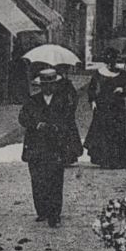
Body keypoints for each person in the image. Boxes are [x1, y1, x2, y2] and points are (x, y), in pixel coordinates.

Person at [18, 69, 66, 226]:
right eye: (45, 85)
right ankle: (41, 211)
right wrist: (36, 124)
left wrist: (56, 128)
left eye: (51, 84)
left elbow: (68, 121)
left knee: (55, 180)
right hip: (36, 145)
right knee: (38, 179)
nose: (48, 88)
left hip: (55, 145)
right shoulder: (32, 101)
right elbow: (23, 118)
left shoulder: (62, 100)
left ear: (55, 85)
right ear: (41, 85)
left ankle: (55, 213)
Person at [84, 49, 126, 170]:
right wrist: (93, 101)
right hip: (103, 106)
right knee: (104, 132)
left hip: (118, 107)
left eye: (114, 61)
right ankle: (104, 160)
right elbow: (91, 89)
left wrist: (122, 89)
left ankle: (118, 160)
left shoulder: (122, 74)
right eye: (110, 62)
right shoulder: (99, 73)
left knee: (117, 132)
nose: (112, 64)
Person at [50, 68, 84, 165]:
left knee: (67, 134)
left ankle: (67, 157)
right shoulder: (58, 83)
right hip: (57, 111)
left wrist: (72, 107)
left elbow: (74, 96)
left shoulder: (66, 83)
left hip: (65, 111)